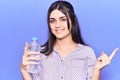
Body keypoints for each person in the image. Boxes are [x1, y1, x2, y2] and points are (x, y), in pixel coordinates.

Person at [20, 1, 119, 80]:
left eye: (63, 19)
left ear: (73, 21)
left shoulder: (87, 52)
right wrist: (24, 70)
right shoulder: (39, 53)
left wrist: (97, 70)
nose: (57, 25)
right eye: (52, 21)